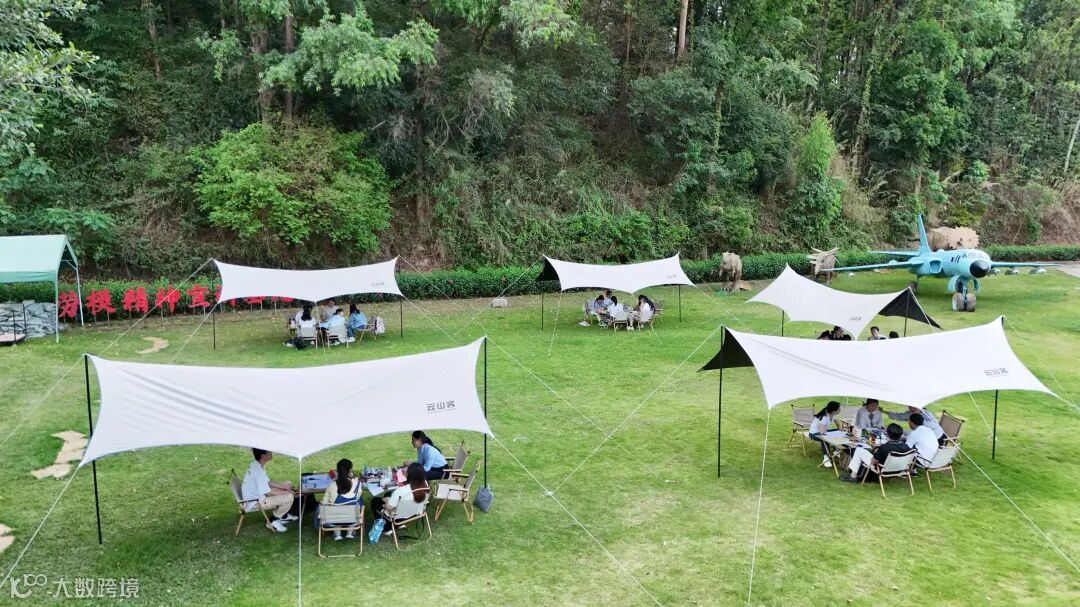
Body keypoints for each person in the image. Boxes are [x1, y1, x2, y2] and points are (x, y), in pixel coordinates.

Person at [241, 448, 296, 533]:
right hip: (256, 501)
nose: (271, 452)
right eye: (269, 451)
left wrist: (284, 487)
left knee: (288, 483)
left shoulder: (256, 464)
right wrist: (289, 492)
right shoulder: (258, 472)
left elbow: (268, 482)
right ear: (263, 455)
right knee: (289, 497)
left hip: (258, 495)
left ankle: (283, 516)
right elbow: (269, 493)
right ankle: (273, 521)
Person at [839, 423, 913, 482]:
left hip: (882, 469)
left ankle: (853, 476)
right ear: (900, 435)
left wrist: (876, 453)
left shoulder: (885, 447)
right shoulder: (906, 446)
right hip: (899, 469)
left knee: (859, 450)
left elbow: (874, 461)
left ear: (887, 434)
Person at [371, 463, 430, 535]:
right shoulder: (425, 485)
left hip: (398, 515)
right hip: (414, 512)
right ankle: (399, 524)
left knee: (375, 500)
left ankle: (386, 528)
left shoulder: (401, 491)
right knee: (388, 494)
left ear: (409, 475)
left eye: (407, 471)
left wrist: (386, 501)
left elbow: (389, 507)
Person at [321, 458, 361, 540]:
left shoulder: (331, 485)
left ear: (337, 470)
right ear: (350, 470)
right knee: (358, 501)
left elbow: (324, 503)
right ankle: (350, 531)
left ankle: (337, 533)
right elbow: (357, 498)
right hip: (352, 518)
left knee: (333, 506)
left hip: (334, 519)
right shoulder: (357, 483)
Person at [808, 401, 841, 468]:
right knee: (824, 439)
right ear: (834, 411)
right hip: (814, 433)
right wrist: (832, 435)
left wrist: (840, 428)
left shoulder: (832, 414)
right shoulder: (824, 417)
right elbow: (822, 433)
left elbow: (836, 421)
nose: (840, 409)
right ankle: (826, 458)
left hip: (823, 431)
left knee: (840, 432)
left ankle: (837, 451)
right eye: (839, 408)